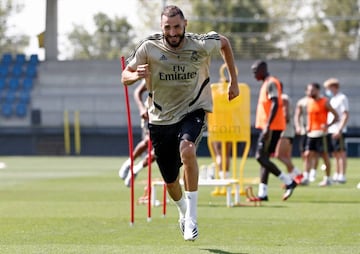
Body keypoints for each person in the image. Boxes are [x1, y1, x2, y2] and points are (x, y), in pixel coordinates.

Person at [121, 5, 239, 241]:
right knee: (170, 181)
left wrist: (234, 82)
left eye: (177, 27)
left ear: (185, 24)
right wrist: (135, 75)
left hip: (192, 110)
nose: (173, 32)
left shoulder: (200, 43)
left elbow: (224, 42)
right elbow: (125, 76)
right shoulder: (149, 46)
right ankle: (183, 211)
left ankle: (193, 219)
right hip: (161, 118)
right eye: (168, 27)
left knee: (188, 149)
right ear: (161, 27)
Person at [251, 60, 297, 202]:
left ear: (263, 70)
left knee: (260, 157)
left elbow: (276, 102)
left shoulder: (271, 82)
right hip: (271, 127)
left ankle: (289, 181)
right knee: (265, 159)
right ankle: (263, 193)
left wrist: (267, 126)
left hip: (271, 127)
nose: (253, 74)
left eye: (255, 71)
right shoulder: (266, 83)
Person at [119, 79, 156, 187]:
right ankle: (129, 163)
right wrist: (141, 108)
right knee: (148, 141)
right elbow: (137, 91)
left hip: (169, 115)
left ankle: (135, 169)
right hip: (151, 114)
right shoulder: (154, 71)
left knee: (159, 150)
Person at [301, 82, 339, 186]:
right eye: (309, 90)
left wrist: (327, 125)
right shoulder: (309, 102)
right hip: (311, 133)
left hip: (322, 134)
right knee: (307, 154)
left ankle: (327, 179)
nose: (310, 92)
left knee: (325, 155)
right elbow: (310, 116)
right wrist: (308, 126)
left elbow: (336, 116)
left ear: (318, 90)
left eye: (312, 90)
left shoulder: (324, 102)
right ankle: (306, 177)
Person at [323, 78, 349, 183]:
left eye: (328, 88)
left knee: (341, 153)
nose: (327, 90)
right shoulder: (332, 99)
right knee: (334, 154)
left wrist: (340, 129)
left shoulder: (342, 98)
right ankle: (337, 173)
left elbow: (345, 114)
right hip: (331, 130)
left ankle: (342, 175)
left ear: (334, 87)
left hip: (338, 129)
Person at [274, 84, 302, 183]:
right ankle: (292, 179)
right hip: (287, 130)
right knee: (286, 157)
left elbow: (285, 115)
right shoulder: (281, 97)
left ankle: (298, 173)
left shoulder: (283, 98)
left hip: (284, 131)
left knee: (279, 155)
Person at [294, 86, 319, 183]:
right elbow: (297, 115)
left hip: (314, 130)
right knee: (304, 153)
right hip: (305, 130)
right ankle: (306, 172)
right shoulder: (302, 102)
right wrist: (298, 126)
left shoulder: (316, 101)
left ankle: (312, 172)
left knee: (313, 153)